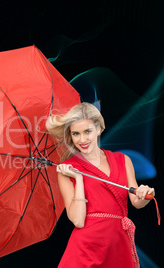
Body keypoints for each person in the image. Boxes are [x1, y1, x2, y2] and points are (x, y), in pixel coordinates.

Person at [46, 102, 155, 268]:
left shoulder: (123, 160)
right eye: (76, 133)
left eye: (87, 131)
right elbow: (78, 221)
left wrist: (146, 193)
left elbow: (137, 202)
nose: (82, 139)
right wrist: (79, 178)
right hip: (86, 248)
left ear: (99, 128)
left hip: (118, 243)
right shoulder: (66, 170)